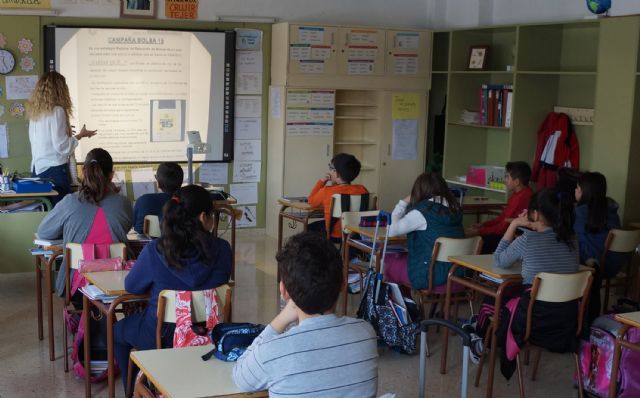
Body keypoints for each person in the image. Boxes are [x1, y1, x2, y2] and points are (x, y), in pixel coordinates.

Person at [114, 184, 232, 394]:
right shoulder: (223, 250)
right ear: (204, 217)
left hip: (160, 335)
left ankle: (134, 391)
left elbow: (131, 286)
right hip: (209, 335)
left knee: (116, 332)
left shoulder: (156, 249)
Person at [233, 231, 378, 397]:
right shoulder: (365, 333)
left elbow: (241, 377)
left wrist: (281, 319)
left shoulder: (272, 352)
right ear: (343, 284)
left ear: (284, 291)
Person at [490, 188, 580, 378]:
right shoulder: (572, 239)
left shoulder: (527, 239)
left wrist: (514, 224)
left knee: (493, 301)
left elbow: (499, 261)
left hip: (533, 323)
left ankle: (481, 342)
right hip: (566, 323)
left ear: (536, 214)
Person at [36, 148, 132, 296]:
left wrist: (70, 234)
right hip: (118, 284)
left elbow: (44, 231)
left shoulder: (70, 202)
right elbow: (124, 228)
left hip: (76, 288)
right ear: (111, 175)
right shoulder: (123, 203)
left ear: (83, 172)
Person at [27, 71, 97, 205]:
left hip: (37, 170)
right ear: (60, 89)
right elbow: (62, 147)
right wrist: (79, 136)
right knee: (62, 213)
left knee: (46, 213)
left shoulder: (35, 114)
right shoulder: (57, 111)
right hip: (54, 171)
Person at [386, 172, 464, 289]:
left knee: (387, 261)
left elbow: (391, 231)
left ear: (418, 190)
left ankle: (403, 305)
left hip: (429, 275)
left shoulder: (422, 212)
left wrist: (403, 203)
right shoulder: (454, 209)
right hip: (457, 272)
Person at [574, 171, 622, 320]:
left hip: (595, 267)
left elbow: (579, 242)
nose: (574, 191)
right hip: (613, 264)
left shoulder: (580, 212)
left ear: (583, 191)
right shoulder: (613, 213)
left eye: (577, 188)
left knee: (568, 250)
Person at [466, 161, 533, 254]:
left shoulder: (522, 197)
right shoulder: (517, 194)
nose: (505, 180)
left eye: (507, 177)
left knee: (477, 241)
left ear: (516, 182)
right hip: (505, 232)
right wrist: (483, 225)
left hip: (513, 238)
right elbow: (502, 218)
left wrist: (479, 231)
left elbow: (502, 228)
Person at [307, 153, 368, 241]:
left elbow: (311, 201)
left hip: (335, 234)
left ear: (337, 173)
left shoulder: (327, 191)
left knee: (309, 227)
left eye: (331, 168)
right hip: (356, 234)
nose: (330, 171)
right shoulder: (362, 190)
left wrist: (322, 181)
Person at [132, 162, 183, 234]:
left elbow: (135, 225)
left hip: (145, 243)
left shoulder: (143, 200)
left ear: (158, 183)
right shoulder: (186, 201)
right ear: (181, 183)